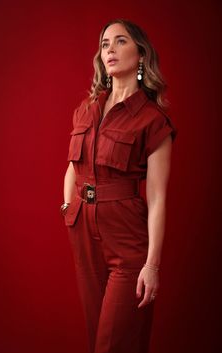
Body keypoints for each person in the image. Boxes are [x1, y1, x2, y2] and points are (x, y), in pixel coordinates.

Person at [61, 18, 177, 353]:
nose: (110, 49)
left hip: (126, 238)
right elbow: (72, 166)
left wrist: (152, 265)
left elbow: (156, 198)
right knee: (97, 334)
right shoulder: (87, 109)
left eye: (120, 41)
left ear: (141, 54)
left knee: (113, 344)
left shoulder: (153, 120)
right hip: (83, 234)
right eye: (105, 44)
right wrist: (69, 209)